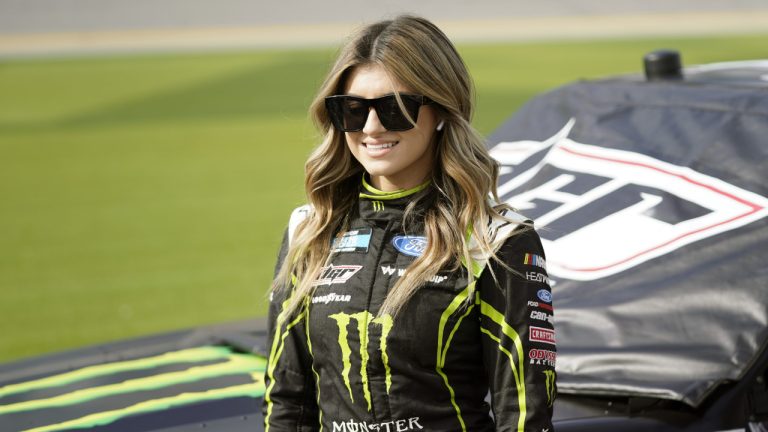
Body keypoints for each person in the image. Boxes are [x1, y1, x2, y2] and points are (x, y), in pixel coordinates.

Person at [263, 15, 556, 432]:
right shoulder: (310, 229)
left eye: (394, 108)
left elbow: (523, 410)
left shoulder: (496, 238)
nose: (371, 127)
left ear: (440, 110)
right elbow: (286, 399)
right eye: (352, 109)